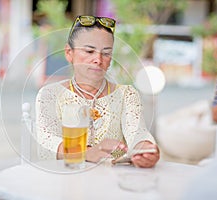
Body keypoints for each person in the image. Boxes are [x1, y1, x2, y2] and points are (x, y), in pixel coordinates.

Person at [35, 15, 159, 168]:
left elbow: (138, 133)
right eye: (89, 51)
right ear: (69, 53)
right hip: (65, 181)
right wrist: (88, 153)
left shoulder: (127, 94)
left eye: (106, 53)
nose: (98, 60)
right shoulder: (50, 94)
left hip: (112, 183)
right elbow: (47, 143)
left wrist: (146, 149)